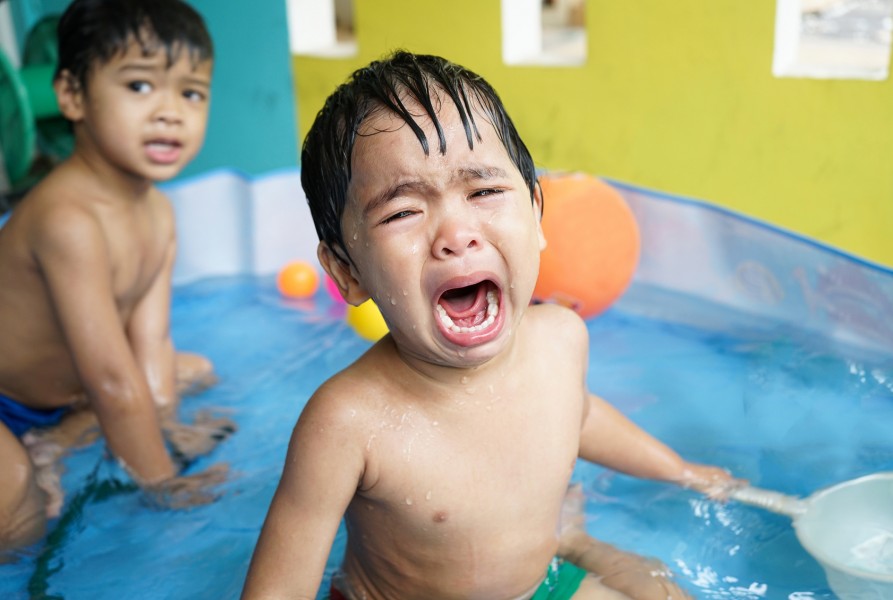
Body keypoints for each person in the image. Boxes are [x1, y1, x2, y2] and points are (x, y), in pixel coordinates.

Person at [242, 51, 740, 600]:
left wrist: (678, 470)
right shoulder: (346, 422)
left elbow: (579, 415)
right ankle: (572, 539)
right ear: (346, 272)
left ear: (535, 212)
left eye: (483, 192)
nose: (457, 233)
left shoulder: (561, 338)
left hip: (537, 585)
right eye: (402, 211)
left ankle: (570, 539)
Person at [0, 0, 234, 555]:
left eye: (190, 93)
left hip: (61, 398)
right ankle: (37, 451)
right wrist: (161, 481)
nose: (169, 112)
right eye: (139, 86)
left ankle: (53, 442)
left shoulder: (159, 213)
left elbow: (149, 343)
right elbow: (109, 379)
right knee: (17, 511)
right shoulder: (68, 220)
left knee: (190, 373)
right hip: (12, 393)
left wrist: (165, 427)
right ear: (72, 96)